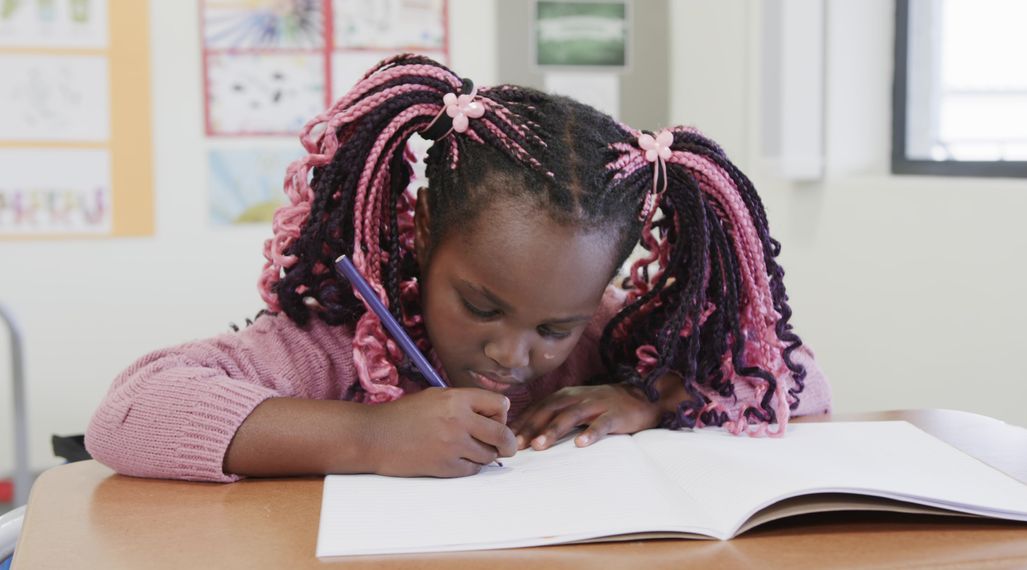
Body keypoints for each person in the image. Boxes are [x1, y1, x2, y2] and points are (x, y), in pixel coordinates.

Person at [85, 54, 831, 482]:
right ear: (423, 235)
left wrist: (652, 398)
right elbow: (126, 416)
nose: (514, 354)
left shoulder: (610, 337)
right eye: (480, 307)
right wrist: (366, 439)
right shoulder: (341, 343)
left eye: (554, 326)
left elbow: (803, 378)